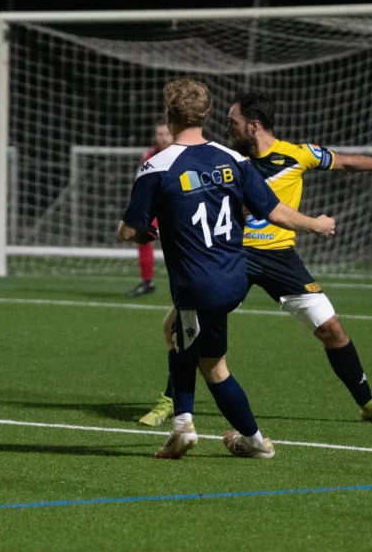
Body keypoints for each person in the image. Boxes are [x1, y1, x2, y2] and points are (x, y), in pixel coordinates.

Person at [138, 90, 372, 427]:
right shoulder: (225, 161)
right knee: (190, 328)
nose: (227, 127)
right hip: (234, 256)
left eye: (233, 122)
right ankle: (170, 402)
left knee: (331, 328)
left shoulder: (297, 155)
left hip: (281, 259)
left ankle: (367, 403)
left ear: (253, 125)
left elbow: (346, 162)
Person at [118, 78, 336, 459]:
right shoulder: (234, 160)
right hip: (234, 277)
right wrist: (314, 224)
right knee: (183, 338)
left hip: (196, 283)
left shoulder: (156, 166)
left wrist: (140, 232)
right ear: (207, 114)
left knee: (207, 360)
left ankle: (214, 432)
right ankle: (206, 429)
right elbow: (274, 211)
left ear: (169, 116)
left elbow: (129, 230)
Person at [127, 121, 173, 297]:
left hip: (178, 205)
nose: (163, 138)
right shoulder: (148, 155)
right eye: (159, 134)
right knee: (143, 237)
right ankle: (147, 282)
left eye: (166, 134)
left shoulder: (180, 153)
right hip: (155, 206)